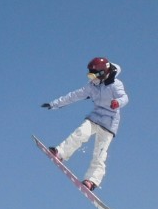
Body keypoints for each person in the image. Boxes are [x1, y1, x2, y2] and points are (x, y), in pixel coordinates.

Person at [41, 57, 129, 191]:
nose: (91, 77)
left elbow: (125, 97)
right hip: (95, 117)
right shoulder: (92, 86)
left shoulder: (115, 84)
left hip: (109, 123)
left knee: (100, 153)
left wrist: (118, 102)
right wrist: (54, 104)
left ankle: (92, 180)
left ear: (102, 72)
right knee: (80, 133)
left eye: (93, 74)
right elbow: (74, 95)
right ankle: (60, 153)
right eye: (90, 74)